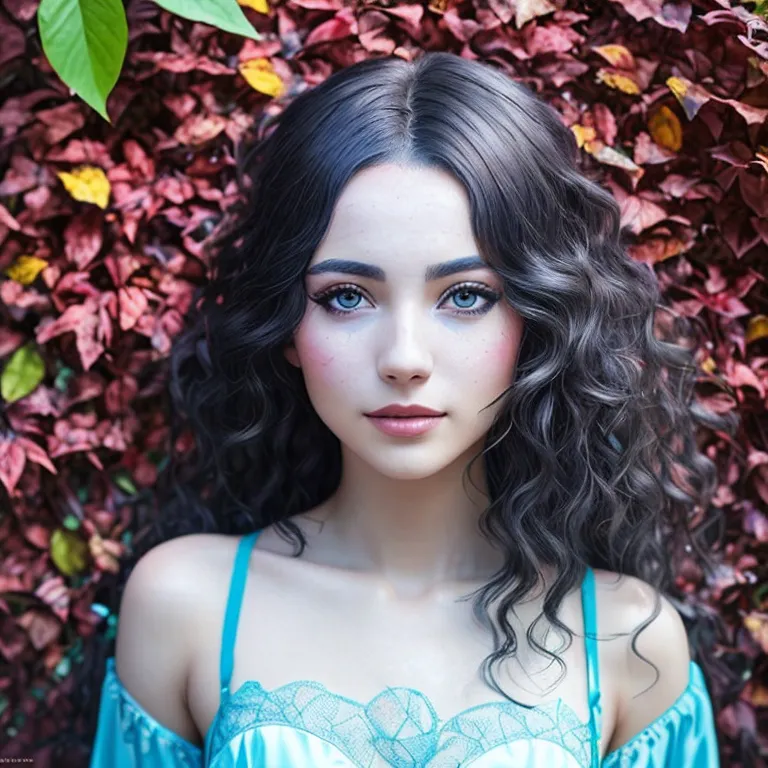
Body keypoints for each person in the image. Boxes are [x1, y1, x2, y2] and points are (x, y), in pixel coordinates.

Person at [87, 51, 734, 767]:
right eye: (346, 297)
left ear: (537, 322)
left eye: (465, 296)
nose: (404, 357)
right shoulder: (186, 606)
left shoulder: (631, 644)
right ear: (287, 328)